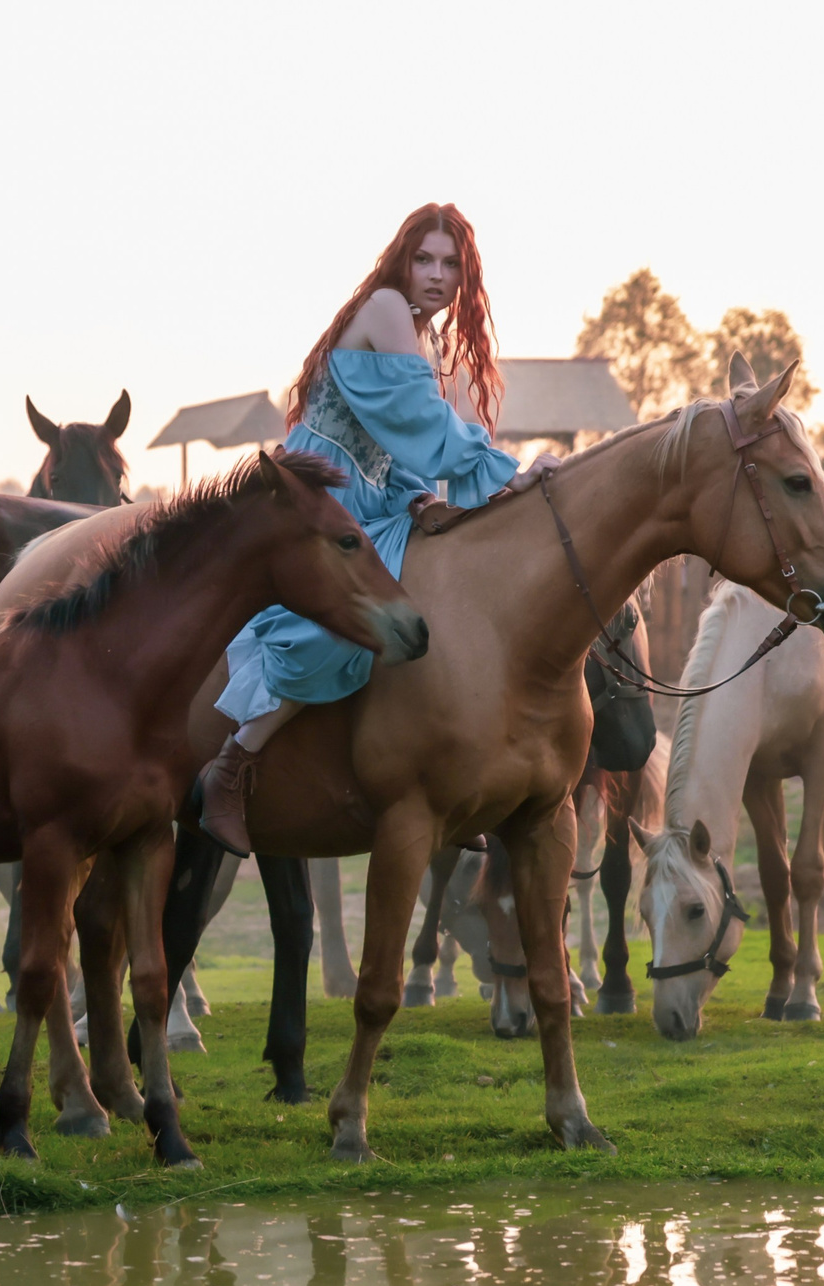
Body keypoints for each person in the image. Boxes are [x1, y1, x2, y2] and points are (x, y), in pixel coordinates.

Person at [196, 202, 559, 856]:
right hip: (317, 497)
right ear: (402, 262)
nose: (437, 274)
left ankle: (443, 770)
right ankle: (231, 765)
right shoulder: (388, 309)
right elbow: (421, 420)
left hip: (372, 499)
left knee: (445, 600)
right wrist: (508, 474)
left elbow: (395, 446)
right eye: (424, 259)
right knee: (343, 622)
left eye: (451, 264)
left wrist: (417, 497)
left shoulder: (425, 336)